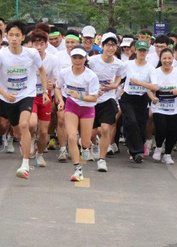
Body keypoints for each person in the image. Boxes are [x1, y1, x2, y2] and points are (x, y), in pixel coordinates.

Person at [0, 21, 49, 180]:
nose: (14, 38)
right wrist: (4, 93)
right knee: (17, 132)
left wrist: (44, 91)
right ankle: (16, 141)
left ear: (23, 37)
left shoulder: (32, 53)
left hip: (26, 95)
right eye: (11, 35)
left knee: (24, 125)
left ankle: (25, 164)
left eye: (17, 35)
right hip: (8, 98)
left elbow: (42, 70)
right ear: (6, 36)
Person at [55, 45, 100, 181]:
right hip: (71, 106)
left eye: (80, 57)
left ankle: (86, 146)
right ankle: (77, 169)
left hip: (87, 108)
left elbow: (94, 97)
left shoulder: (91, 76)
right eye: (75, 57)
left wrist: (79, 96)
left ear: (85, 59)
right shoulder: (64, 72)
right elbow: (57, 87)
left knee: (85, 142)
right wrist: (60, 101)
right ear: (71, 58)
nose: (77, 60)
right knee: (72, 137)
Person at [87, 32, 125, 172]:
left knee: (105, 128)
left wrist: (115, 85)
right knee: (92, 132)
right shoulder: (92, 61)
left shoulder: (119, 63)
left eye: (113, 45)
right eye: (108, 45)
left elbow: (120, 76)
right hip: (92, 99)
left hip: (108, 99)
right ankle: (94, 144)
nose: (111, 48)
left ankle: (102, 160)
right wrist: (93, 89)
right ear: (102, 46)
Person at [119, 40, 158, 164]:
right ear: (135, 50)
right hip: (128, 98)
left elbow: (155, 86)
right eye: (140, 50)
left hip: (142, 98)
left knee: (141, 125)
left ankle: (137, 152)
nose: (142, 53)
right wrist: (117, 87)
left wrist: (139, 82)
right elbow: (119, 76)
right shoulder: (128, 64)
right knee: (131, 121)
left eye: (144, 50)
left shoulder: (150, 68)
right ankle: (136, 151)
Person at [151, 48, 177, 165]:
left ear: (173, 58)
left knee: (172, 132)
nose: (167, 61)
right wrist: (153, 98)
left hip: (174, 108)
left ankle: (167, 154)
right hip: (159, 107)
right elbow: (150, 89)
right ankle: (158, 147)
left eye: (169, 58)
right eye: (164, 58)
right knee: (161, 129)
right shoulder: (155, 72)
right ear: (160, 59)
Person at [29, 29, 58, 168]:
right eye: (36, 44)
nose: (39, 47)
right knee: (32, 124)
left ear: (46, 45)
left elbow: (57, 78)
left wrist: (53, 84)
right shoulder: (26, 58)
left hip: (45, 96)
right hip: (30, 95)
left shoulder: (52, 59)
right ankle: (30, 139)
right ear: (31, 45)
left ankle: (39, 154)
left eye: (41, 44)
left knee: (43, 132)